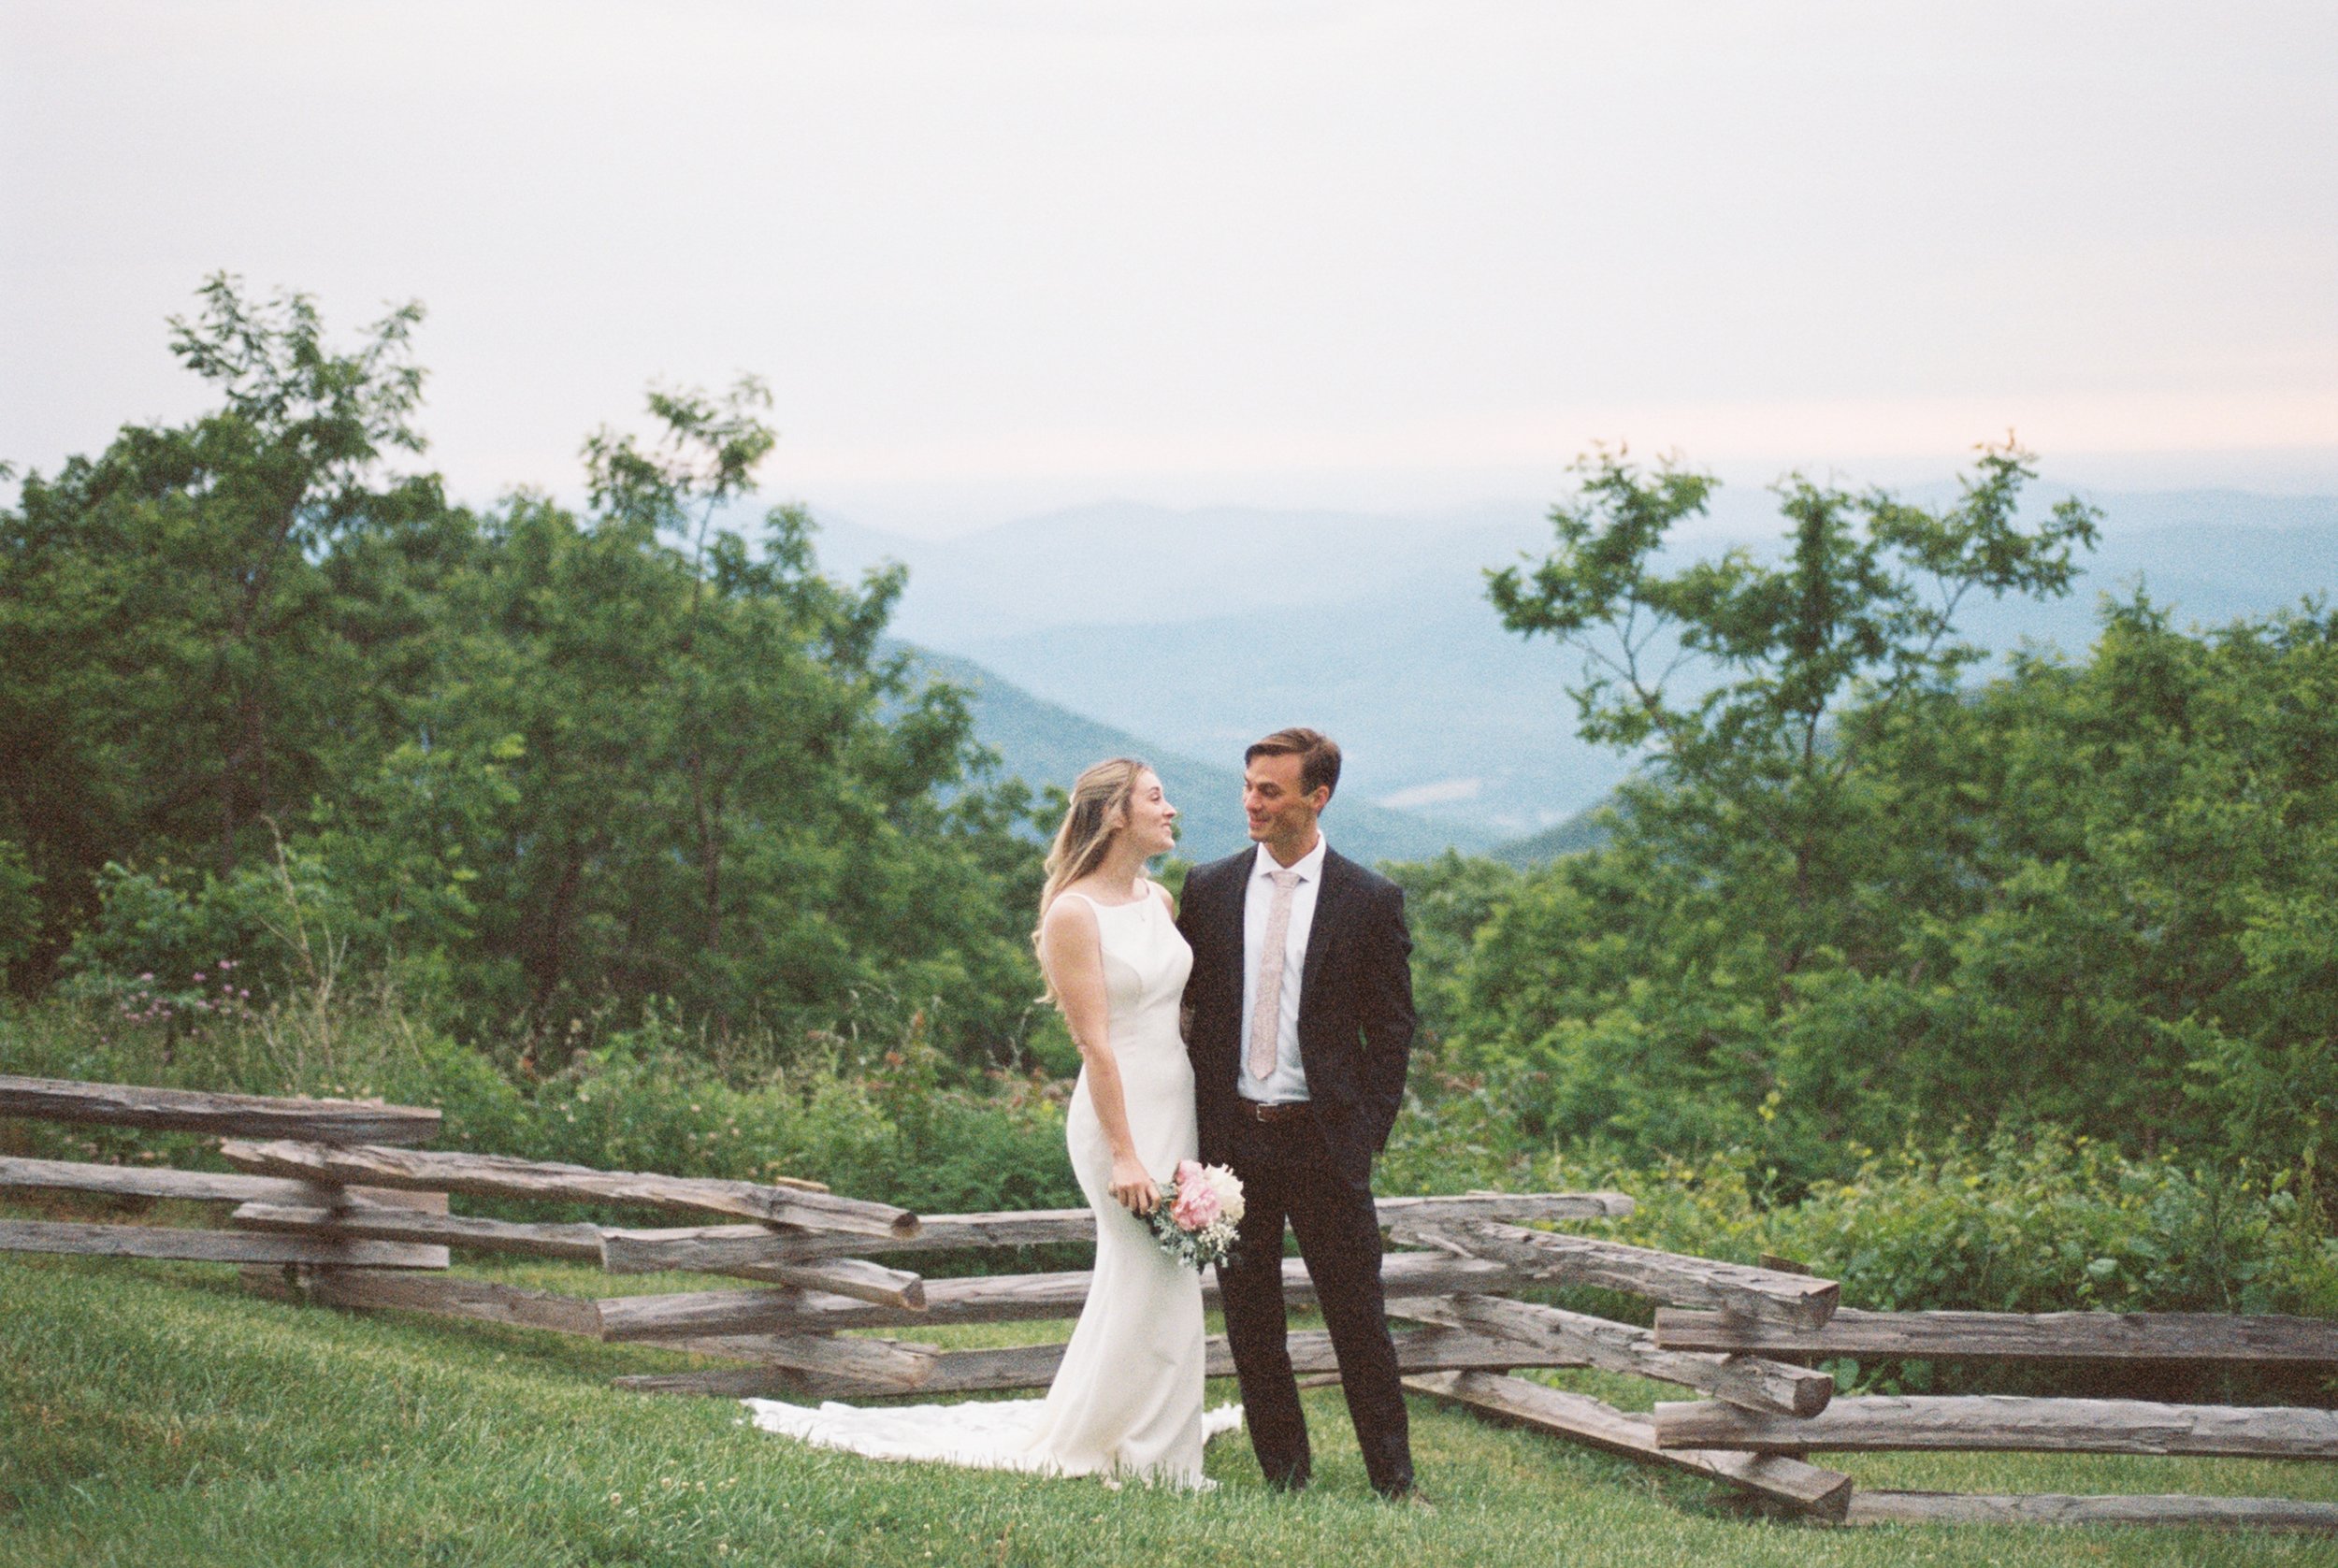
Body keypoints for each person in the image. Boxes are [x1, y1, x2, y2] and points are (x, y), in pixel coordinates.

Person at [742, 758, 1241, 1489]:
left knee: (1161, 1277)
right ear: (1113, 814)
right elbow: (1095, 1044)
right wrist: (1126, 1154)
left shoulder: (1157, 900)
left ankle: (1130, 1433)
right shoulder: (1072, 913)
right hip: (1117, 1115)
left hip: (1176, 1102)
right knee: (1151, 1274)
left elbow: (1181, 1012)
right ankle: (1154, 1460)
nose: (1172, 810)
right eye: (1156, 798)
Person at [1176, 727, 1422, 1502]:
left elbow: (1392, 1027)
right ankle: (1285, 1474)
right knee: (1252, 1320)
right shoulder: (1208, 887)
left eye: (1270, 790)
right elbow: (1188, 1009)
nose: (1252, 801)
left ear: (1317, 797)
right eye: (1248, 785)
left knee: (1358, 1318)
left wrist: (1364, 1133)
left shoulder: (1369, 897)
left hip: (1325, 1140)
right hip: (1233, 1139)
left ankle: (1395, 1480)